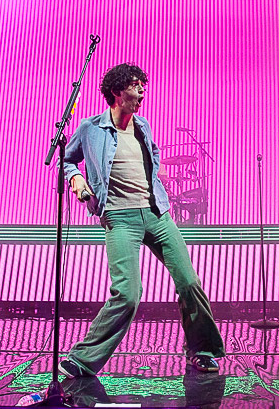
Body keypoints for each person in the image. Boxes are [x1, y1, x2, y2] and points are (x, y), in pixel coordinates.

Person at [59, 63, 225, 378]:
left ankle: (202, 351)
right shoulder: (90, 128)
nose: (141, 91)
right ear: (117, 92)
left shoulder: (143, 126)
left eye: (141, 85)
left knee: (189, 282)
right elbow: (66, 159)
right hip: (119, 218)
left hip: (156, 213)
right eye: (135, 85)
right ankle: (82, 359)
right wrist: (76, 178)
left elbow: (154, 155)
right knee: (128, 292)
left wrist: (156, 185)